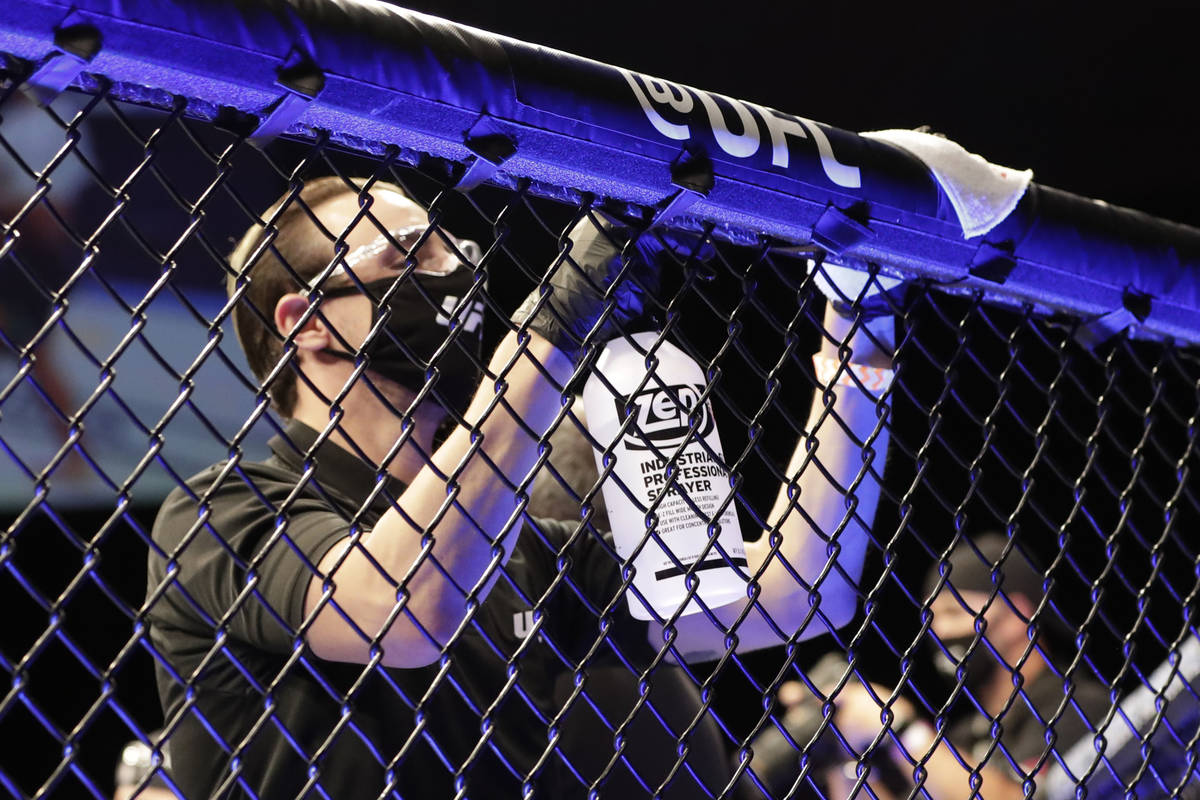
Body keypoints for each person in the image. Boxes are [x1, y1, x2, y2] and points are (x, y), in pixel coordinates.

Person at [144, 175, 896, 798]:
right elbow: (399, 610)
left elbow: (796, 593)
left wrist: (861, 334)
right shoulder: (220, 511)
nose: (454, 272)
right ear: (307, 321)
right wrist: (558, 320)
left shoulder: (523, 552)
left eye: (454, 249)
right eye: (410, 254)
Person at [750, 532, 1108, 800]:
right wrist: (846, 755)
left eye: (954, 613)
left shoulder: (1080, 708)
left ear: (1018, 615)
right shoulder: (966, 737)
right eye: (932, 619)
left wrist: (900, 729)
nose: (938, 632)